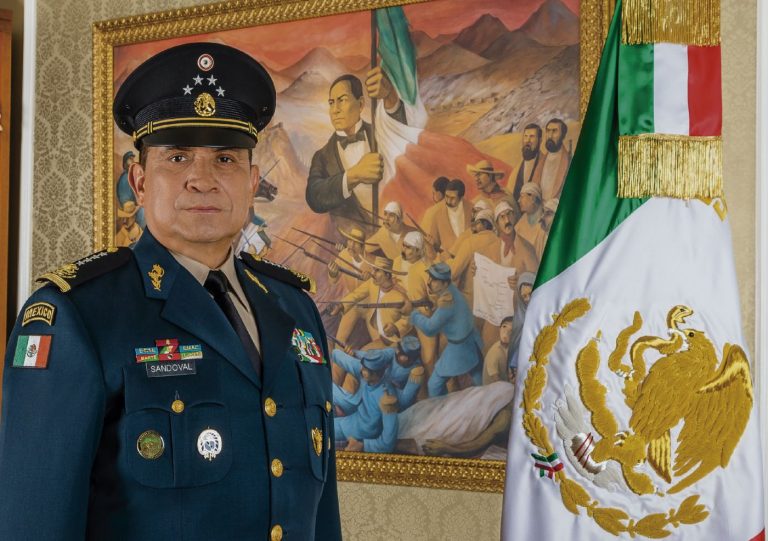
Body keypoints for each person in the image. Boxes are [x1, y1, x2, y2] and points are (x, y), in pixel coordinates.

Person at [0, 43, 341, 540]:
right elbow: (34, 523)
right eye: (178, 157)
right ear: (139, 181)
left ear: (251, 183)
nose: (202, 180)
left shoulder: (295, 308)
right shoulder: (76, 315)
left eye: (225, 159)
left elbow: (320, 514)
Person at [306, 71, 406, 233]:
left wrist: (390, 97)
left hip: (393, 236)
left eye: (342, 100)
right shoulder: (322, 156)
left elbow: (403, 139)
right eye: (331, 103)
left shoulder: (380, 134)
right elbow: (314, 197)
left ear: (360, 104)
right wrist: (354, 175)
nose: (335, 110)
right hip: (352, 242)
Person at [409, 263, 483, 397]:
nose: (429, 282)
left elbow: (430, 329)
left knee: (434, 385)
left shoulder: (447, 302)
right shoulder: (451, 291)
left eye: (434, 280)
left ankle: (441, 408)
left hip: (459, 348)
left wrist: (413, 314)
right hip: (471, 341)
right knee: (479, 380)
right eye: (430, 278)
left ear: (444, 283)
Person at [329, 254, 411, 348]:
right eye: (373, 269)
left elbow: (409, 319)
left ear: (387, 275)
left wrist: (396, 327)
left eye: (377, 270)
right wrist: (341, 305)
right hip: (375, 328)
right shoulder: (372, 284)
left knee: (364, 352)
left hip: (391, 341)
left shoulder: (399, 295)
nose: (373, 273)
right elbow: (356, 295)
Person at [331, 348, 400, 453]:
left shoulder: (387, 398)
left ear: (376, 373)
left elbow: (388, 443)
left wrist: (363, 446)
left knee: (319, 427)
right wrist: (346, 352)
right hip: (352, 418)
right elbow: (340, 356)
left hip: (359, 431)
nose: (361, 370)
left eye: (365, 369)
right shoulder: (366, 373)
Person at [427, 178, 472, 257]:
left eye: (452, 198)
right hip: (449, 261)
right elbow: (434, 247)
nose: (448, 201)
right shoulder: (437, 215)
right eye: (447, 196)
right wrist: (431, 244)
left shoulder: (472, 209)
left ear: (461, 198)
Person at [534, 118, 571, 200]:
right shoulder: (541, 160)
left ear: (563, 135)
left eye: (554, 131)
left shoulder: (568, 161)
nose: (550, 136)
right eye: (548, 131)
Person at [510, 123, 542, 201]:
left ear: (540, 140)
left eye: (532, 136)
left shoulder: (544, 163)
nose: (527, 141)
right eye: (525, 136)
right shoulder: (517, 167)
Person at [483, 316, 515, 385]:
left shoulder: (512, 348)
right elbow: (495, 379)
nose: (506, 332)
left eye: (511, 330)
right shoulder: (495, 352)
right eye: (504, 327)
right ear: (499, 329)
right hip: (493, 387)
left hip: (506, 384)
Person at [514, 182, 545, 252]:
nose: (518, 200)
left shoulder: (545, 224)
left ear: (533, 198)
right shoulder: (522, 220)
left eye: (522, 196)